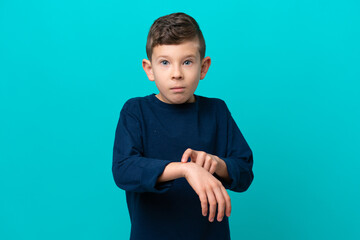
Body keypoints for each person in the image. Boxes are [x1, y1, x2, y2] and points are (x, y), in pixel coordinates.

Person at [112, 12, 254, 240]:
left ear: (203, 67)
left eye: (187, 62)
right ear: (149, 69)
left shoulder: (217, 111)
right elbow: (124, 169)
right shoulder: (135, 111)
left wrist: (217, 164)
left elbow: (245, 171)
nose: (176, 74)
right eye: (165, 63)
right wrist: (187, 169)